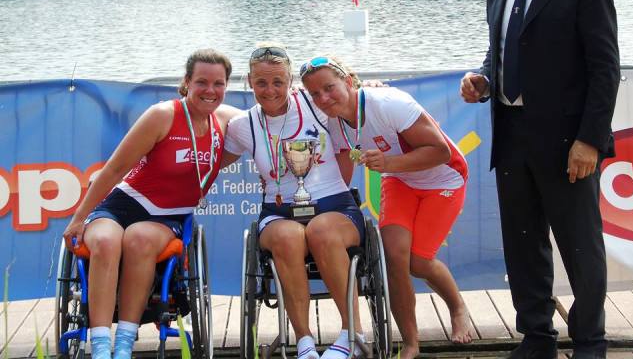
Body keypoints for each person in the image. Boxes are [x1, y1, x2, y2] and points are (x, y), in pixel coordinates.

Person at [459, 0, 619, 359]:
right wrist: (483, 80)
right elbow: (502, 52)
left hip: (570, 142)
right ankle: (537, 338)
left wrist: (589, 140)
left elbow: (605, 69)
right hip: (510, 134)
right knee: (524, 245)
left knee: (581, 249)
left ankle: (589, 342)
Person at [62, 49, 239, 359]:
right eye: (201, 82)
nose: (210, 91)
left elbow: (272, 115)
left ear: (226, 86)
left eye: (218, 83)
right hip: (123, 204)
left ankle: (124, 345)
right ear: (186, 83)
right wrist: (79, 218)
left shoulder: (228, 120)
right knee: (104, 241)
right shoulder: (163, 115)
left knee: (139, 239)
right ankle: (102, 346)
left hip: (166, 218)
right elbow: (114, 169)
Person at [300, 56, 474, 359]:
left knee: (418, 263)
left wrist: (390, 162)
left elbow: (440, 152)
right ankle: (410, 343)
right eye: (315, 94)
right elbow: (341, 175)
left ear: (349, 81)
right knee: (394, 258)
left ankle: (457, 307)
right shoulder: (332, 122)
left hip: (444, 177)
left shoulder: (388, 103)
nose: (323, 98)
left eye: (329, 88)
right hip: (400, 180)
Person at [222, 45, 367, 359]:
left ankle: (352, 334)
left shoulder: (315, 104)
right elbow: (210, 159)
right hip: (279, 212)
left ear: (290, 81)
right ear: (249, 82)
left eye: (278, 81)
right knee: (288, 239)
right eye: (261, 83)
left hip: (334, 207)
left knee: (321, 232)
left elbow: (353, 100)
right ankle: (304, 343)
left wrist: (373, 88)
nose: (270, 90)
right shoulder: (241, 126)